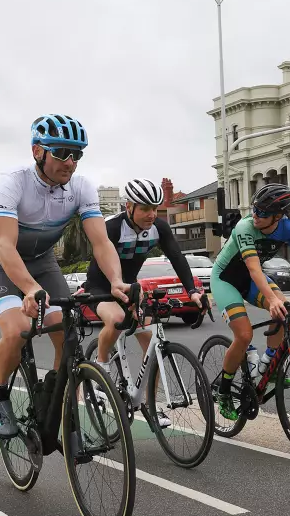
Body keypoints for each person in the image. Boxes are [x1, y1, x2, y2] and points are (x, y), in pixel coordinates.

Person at [0, 114, 131, 438]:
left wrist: (116, 280)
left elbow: (101, 242)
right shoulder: (11, 182)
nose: (70, 162)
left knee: (67, 334)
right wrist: (31, 289)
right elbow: (5, 244)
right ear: (38, 151)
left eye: (77, 155)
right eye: (62, 152)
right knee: (18, 330)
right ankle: (0, 396)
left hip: (43, 261)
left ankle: (63, 407)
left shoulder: (81, 188)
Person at [210, 183, 290, 421]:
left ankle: (270, 364)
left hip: (250, 280)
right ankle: (225, 391)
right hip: (226, 279)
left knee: (283, 309)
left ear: (278, 216)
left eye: (263, 213)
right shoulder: (245, 226)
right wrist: (270, 299)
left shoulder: (289, 227)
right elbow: (254, 267)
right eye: (255, 209)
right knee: (245, 335)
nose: (255, 215)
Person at [84, 179, 205, 427]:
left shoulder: (159, 227)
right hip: (101, 287)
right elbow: (100, 259)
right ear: (129, 206)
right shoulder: (112, 228)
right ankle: (102, 364)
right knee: (117, 320)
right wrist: (116, 288)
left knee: (153, 344)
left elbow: (177, 257)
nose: (151, 214)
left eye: (155, 208)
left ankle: (150, 403)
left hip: (129, 287)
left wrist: (192, 291)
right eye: (145, 209)